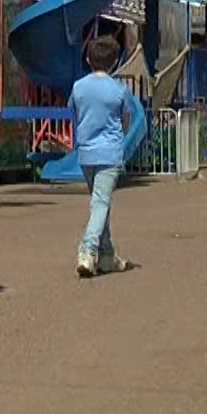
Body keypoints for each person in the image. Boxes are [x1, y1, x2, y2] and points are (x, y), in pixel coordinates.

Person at [69, 35, 138, 277]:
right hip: (109, 153)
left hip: (86, 152)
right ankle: (88, 251)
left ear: (88, 59)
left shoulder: (78, 87)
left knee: (100, 203)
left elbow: (75, 113)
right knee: (101, 203)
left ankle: (107, 256)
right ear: (115, 61)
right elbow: (127, 120)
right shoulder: (119, 89)